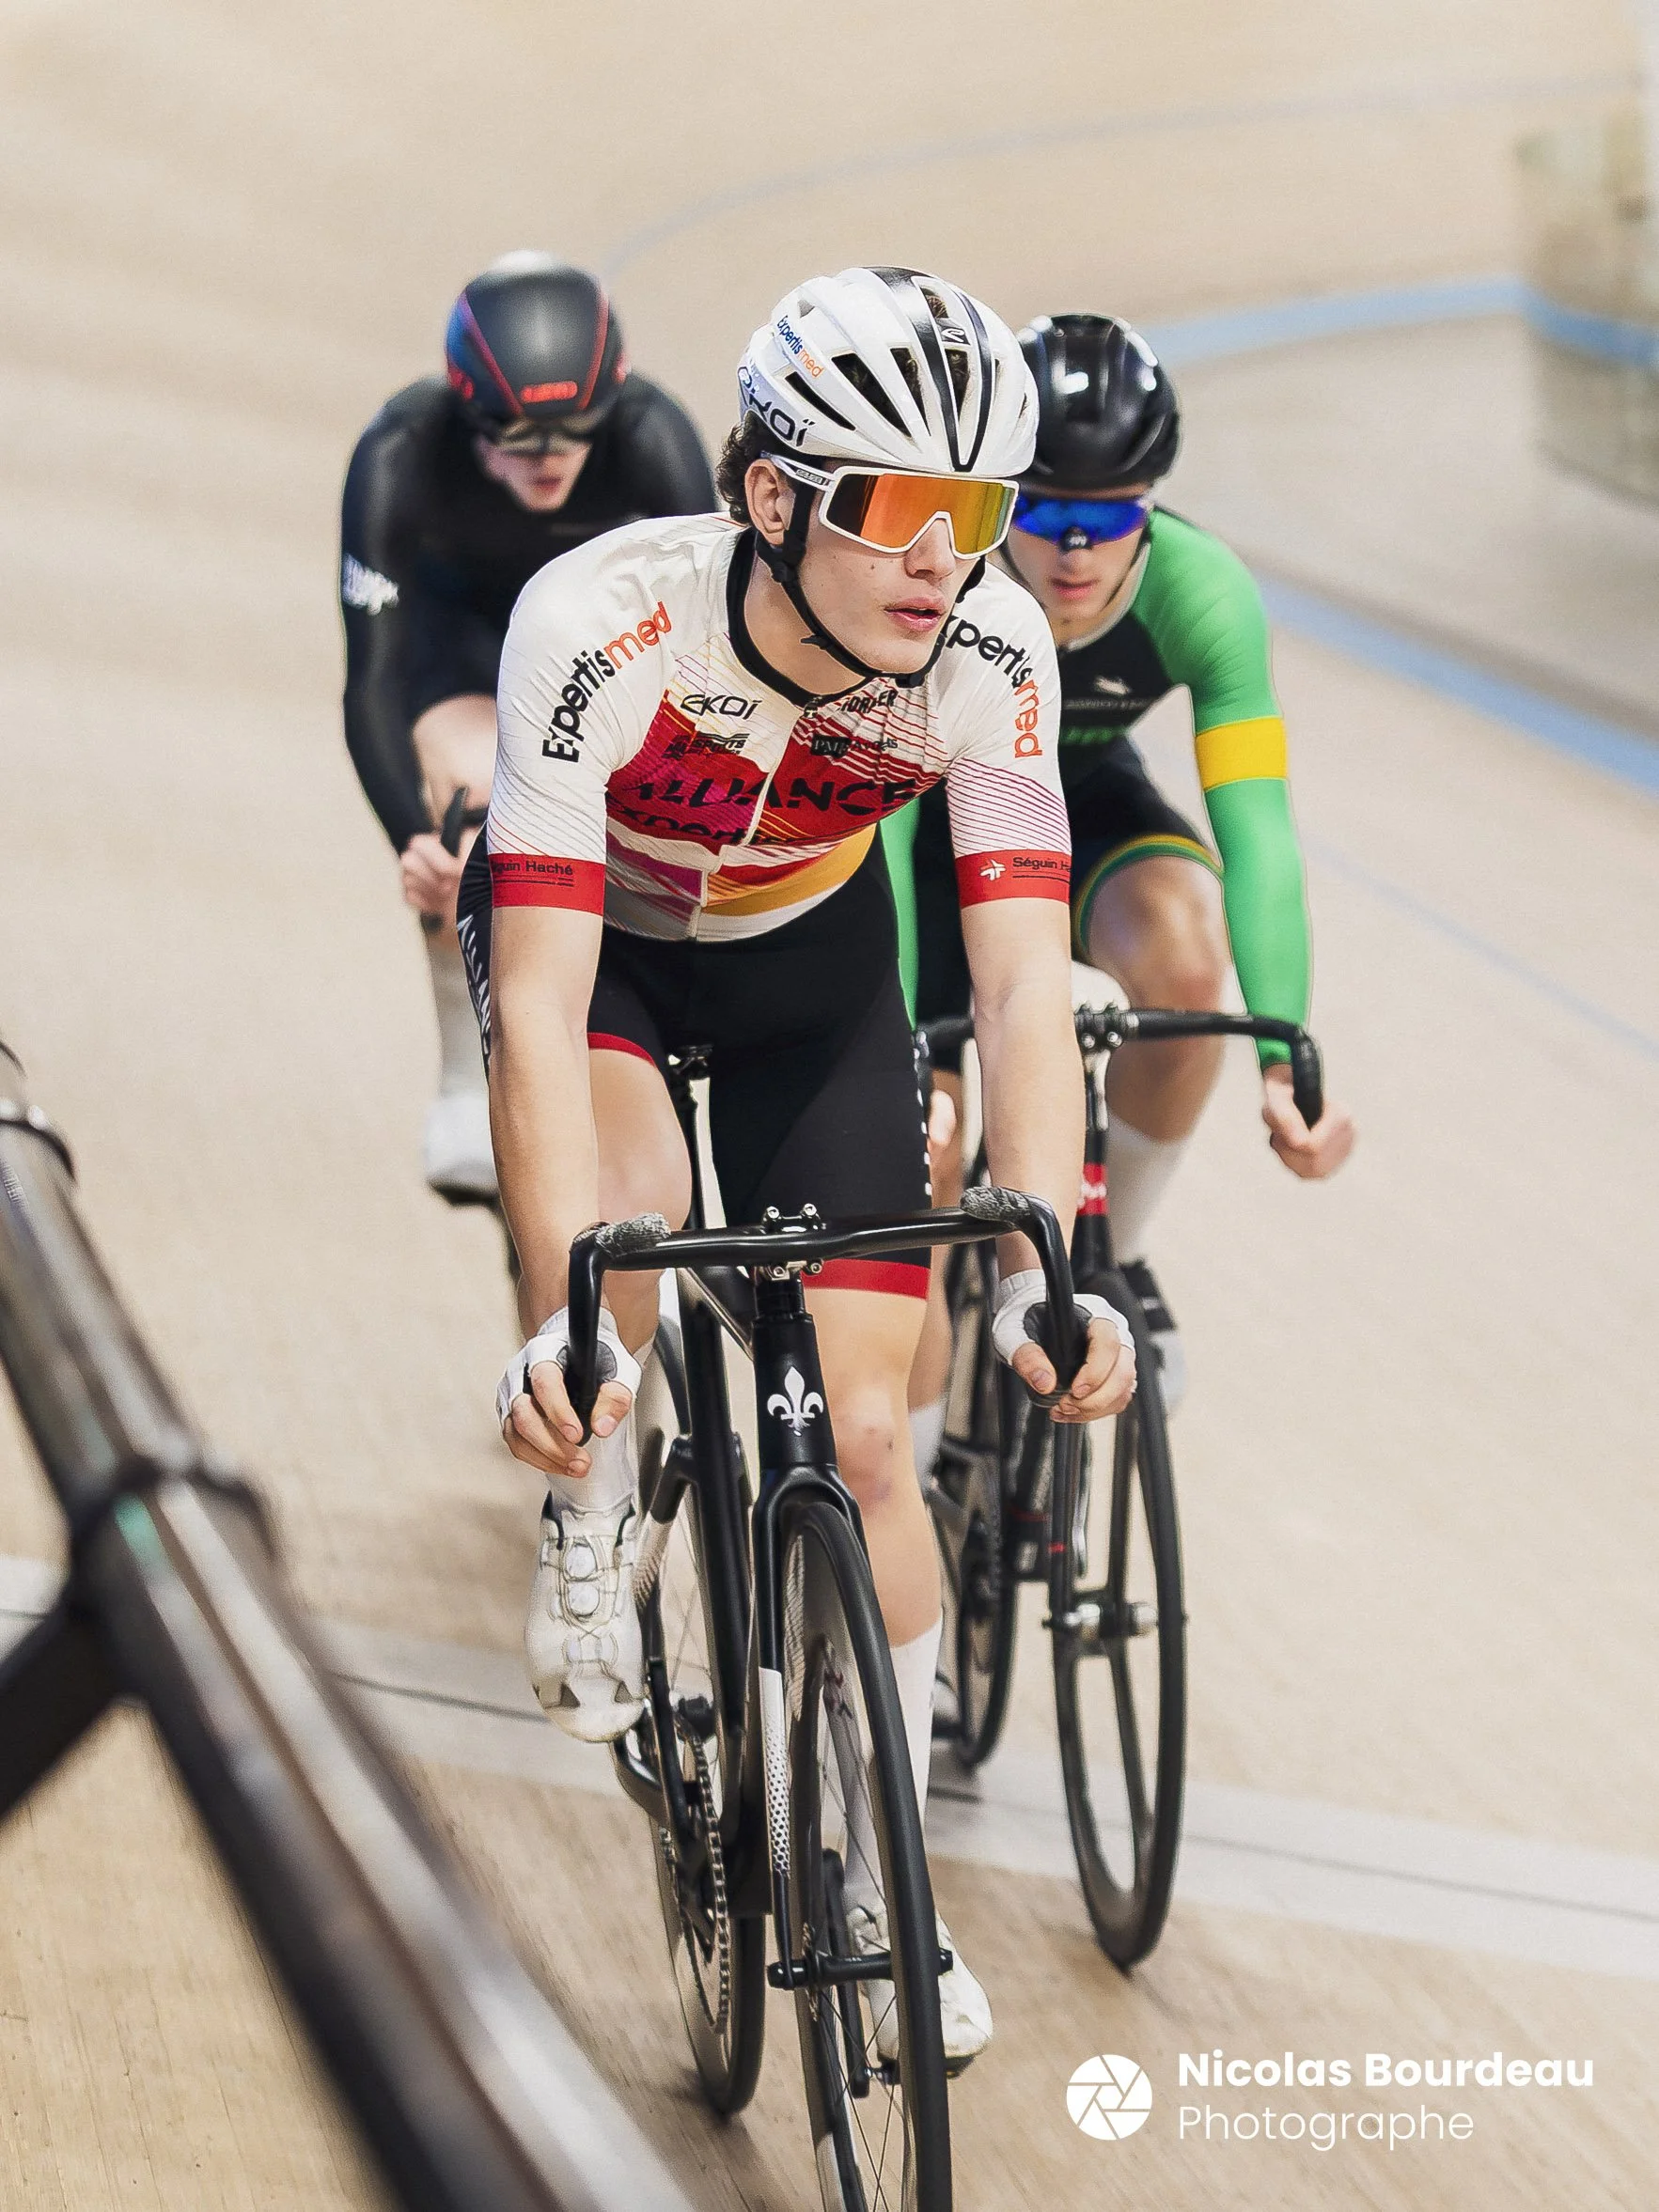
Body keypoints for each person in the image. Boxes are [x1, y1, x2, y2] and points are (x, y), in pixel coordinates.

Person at [461, 266, 1137, 2063]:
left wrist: (1051, 1273)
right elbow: (537, 1003)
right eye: (898, 505)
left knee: (865, 1433)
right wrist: (563, 1327)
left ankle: (882, 1862)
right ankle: (594, 1499)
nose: (943, 558)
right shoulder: (602, 622)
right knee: (628, 1237)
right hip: (607, 957)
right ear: (771, 496)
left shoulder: (992, 653)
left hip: (807, 968)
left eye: (977, 512)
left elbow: (1020, 975)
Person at [884, 312, 1354, 1457]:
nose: (1074, 553)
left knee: (1185, 958)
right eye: (1041, 513)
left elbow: (1258, 831)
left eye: (1109, 520)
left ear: (1153, 506)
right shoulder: (931, 589)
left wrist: (1285, 1048)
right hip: (922, 829)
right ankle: (902, 1467)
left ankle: (1120, 1254)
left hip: (1082, 802)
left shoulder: (1202, 590)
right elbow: (886, 833)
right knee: (919, 1155)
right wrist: (899, 1039)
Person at [338, 251, 714, 1199]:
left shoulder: (654, 436)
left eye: (574, 431)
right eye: (515, 435)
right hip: (466, 656)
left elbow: (713, 645)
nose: (547, 456)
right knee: (469, 828)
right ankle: (466, 1079)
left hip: (609, 651)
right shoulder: (398, 451)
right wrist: (412, 837)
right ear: (466, 413)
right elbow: (371, 678)